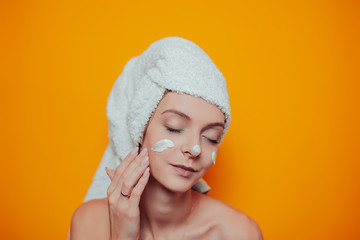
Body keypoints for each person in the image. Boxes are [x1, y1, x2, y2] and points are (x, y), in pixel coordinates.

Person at [70, 37, 263, 239]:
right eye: (174, 128)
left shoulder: (239, 232)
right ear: (139, 130)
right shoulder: (89, 222)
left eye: (212, 138)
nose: (195, 148)